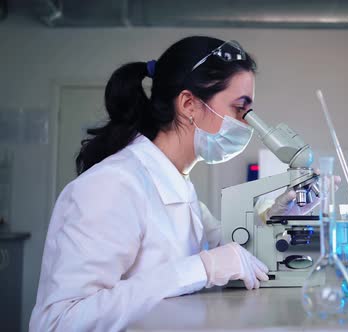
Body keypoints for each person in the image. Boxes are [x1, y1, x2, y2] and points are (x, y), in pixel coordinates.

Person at [30, 36, 320, 331]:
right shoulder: (113, 185)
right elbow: (58, 322)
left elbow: (235, 257)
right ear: (189, 105)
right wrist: (200, 269)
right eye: (239, 109)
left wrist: (274, 218)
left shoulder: (177, 184)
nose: (245, 125)